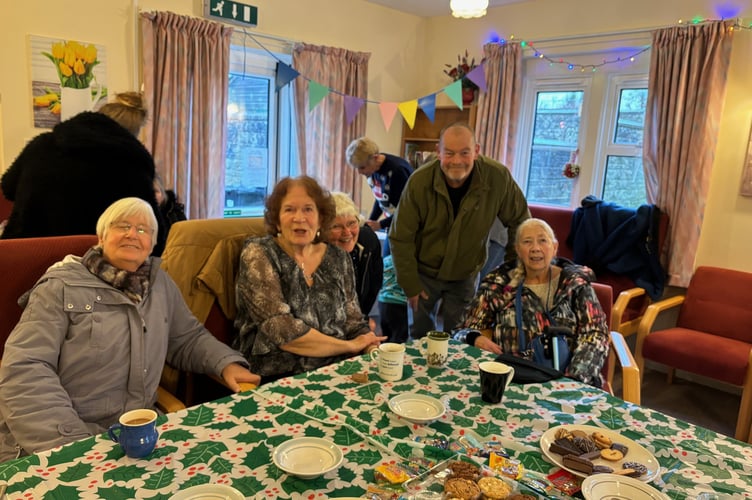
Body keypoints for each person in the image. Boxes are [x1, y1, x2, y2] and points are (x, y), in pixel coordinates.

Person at [0, 198, 260, 462]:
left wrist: (226, 364)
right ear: (101, 236)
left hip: (137, 432)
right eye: (122, 226)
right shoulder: (60, 285)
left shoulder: (160, 284)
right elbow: (26, 367)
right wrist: (70, 445)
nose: (132, 234)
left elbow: (187, 337)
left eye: (143, 230)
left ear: (152, 244)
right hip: (65, 437)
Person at [233, 176, 386, 382]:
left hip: (336, 370)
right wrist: (349, 346)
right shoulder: (259, 254)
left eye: (308, 209)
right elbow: (282, 331)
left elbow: (353, 319)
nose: (299, 217)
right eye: (289, 209)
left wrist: (368, 344)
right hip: (276, 375)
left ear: (321, 218)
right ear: (276, 219)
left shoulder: (338, 257)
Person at [389, 122, 530, 339]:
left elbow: (521, 223)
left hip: (466, 273)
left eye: (465, 153)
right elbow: (401, 236)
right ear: (438, 152)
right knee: (418, 336)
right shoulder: (419, 181)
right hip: (423, 272)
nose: (456, 161)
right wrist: (409, 283)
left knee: (461, 336)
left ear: (477, 151)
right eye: (449, 153)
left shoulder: (497, 177)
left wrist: (512, 272)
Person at [0, 91, 166, 255]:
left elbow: (8, 187)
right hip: (92, 264)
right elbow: (154, 235)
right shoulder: (134, 162)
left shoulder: (41, 144)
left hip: (24, 257)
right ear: (133, 133)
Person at [454, 218, 609, 387]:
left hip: (566, 380)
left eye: (542, 240)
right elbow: (462, 330)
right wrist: (474, 338)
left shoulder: (575, 284)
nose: (535, 248)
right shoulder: (499, 282)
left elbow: (595, 335)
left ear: (555, 247)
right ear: (518, 250)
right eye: (527, 242)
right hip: (512, 377)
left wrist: (573, 380)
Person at [327, 192, 383, 326]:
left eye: (352, 223)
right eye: (336, 226)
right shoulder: (314, 254)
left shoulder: (369, 242)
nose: (347, 232)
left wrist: (362, 319)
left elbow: (374, 284)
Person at [345, 137, 413, 235]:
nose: (359, 172)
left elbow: (407, 209)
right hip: (394, 223)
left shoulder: (398, 172)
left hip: (408, 226)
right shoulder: (373, 169)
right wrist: (371, 222)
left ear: (375, 158)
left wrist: (381, 224)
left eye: (362, 167)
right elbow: (381, 199)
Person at [378, 254, 409, 344]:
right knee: (399, 338)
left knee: (386, 336)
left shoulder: (386, 260)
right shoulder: (408, 262)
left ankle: (383, 355)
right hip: (399, 302)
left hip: (383, 302)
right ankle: (394, 357)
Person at [154, 172, 187, 236]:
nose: (153, 195)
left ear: (163, 194)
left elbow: (185, 236)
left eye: (156, 191)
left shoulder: (175, 212)